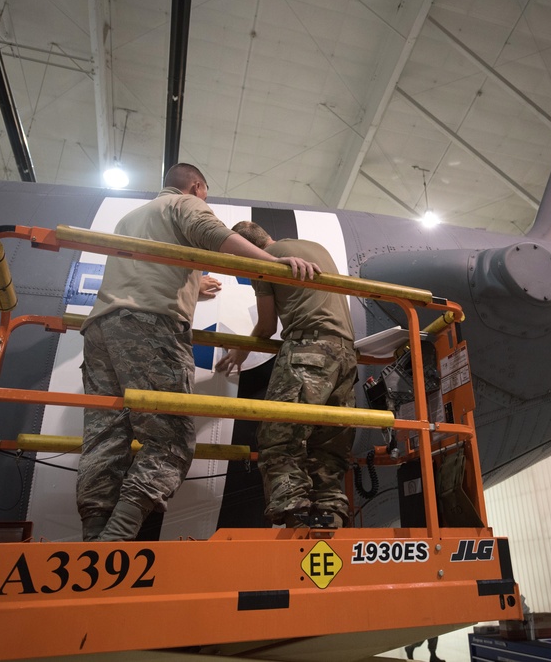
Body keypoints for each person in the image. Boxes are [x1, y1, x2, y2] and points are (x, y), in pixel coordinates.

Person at [77, 164, 320, 542]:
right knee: (169, 440)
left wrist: (193, 283)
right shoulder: (184, 204)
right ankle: (115, 540)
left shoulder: (131, 218)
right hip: (149, 326)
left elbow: (149, 266)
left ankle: (92, 538)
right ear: (196, 186)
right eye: (205, 194)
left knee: (107, 436)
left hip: (101, 330)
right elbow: (212, 233)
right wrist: (274, 264)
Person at [215, 221, 357, 528]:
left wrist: (240, 351)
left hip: (309, 350)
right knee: (328, 443)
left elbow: (266, 327)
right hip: (346, 356)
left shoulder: (265, 262)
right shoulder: (314, 248)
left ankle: (294, 510)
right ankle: (330, 513)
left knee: (278, 434)